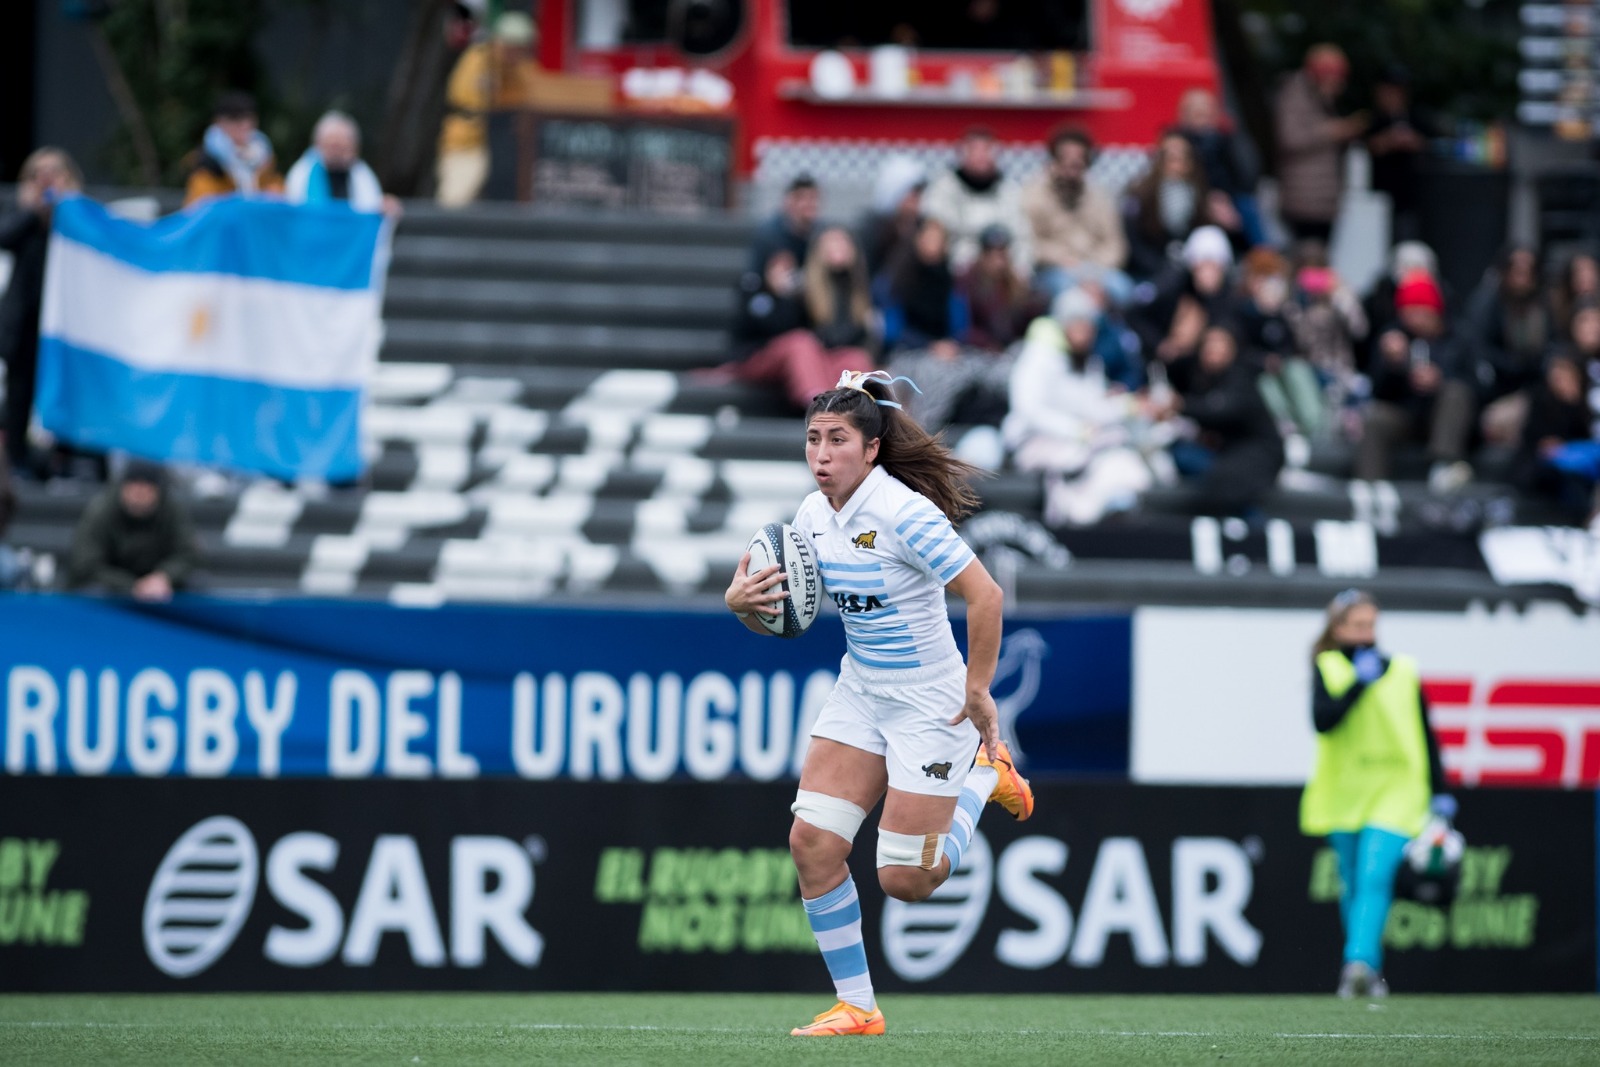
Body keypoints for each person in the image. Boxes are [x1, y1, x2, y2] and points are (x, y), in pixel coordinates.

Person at [724, 368, 1031, 1037]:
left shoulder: (904, 513)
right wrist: (737, 603)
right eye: (812, 439)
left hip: (930, 703)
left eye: (837, 439)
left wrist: (977, 689)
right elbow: (767, 607)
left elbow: (987, 596)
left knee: (905, 880)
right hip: (862, 690)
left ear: (871, 448)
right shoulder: (808, 517)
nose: (821, 454)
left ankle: (985, 777)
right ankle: (859, 1007)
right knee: (811, 843)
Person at [1300, 588, 1455, 998]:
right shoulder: (1328, 666)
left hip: (1398, 787)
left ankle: (1357, 963)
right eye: (1356, 625)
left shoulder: (1402, 669)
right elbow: (1322, 721)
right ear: (1337, 628)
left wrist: (1440, 790)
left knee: (1375, 872)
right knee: (1352, 881)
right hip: (1346, 790)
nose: (1366, 632)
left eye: (1370, 624)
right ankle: (1367, 971)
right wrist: (1356, 686)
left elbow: (1425, 733)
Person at [1004, 287, 1159, 526]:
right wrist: (1075, 430)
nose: (1084, 332)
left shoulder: (1089, 362)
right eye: (1078, 324)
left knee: (1120, 455)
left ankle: (1110, 510)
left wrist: (1128, 406)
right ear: (1064, 324)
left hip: (1079, 442)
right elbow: (1027, 409)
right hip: (1033, 441)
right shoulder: (1038, 356)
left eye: (1089, 326)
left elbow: (1092, 406)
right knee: (1092, 459)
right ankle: (1072, 515)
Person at [1355, 271, 1479, 491]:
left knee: (1455, 391)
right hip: (1409, 415)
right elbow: (1377, 390)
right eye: (1407, 314)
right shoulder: (1394, 338)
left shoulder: (1459, 337)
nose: (1413, 320)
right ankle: (1369, 487)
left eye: (1420, 313)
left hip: (1447, 421)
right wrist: (1393, 365)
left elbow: (1479, 385)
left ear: (1435, 311)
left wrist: (1440, 379)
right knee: (1374, 418)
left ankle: (1444, 467)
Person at [1, 147, 81, 477]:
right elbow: (5, 238)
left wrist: (64, 208)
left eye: (54, 173)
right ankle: (16, 462)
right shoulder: (24, 218)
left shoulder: (77, 218)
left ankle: (64, 462)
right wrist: (36, 211)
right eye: (38, 174)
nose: (46, 181)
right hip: (26, 324)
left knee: (69, 390)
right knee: (20, 392)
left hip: (67, 323)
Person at [1159, 325, 1285, 517]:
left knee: (1229, 489)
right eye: (1208, 344)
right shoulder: (1201, 377)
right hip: (1227, 452)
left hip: (1258, 454)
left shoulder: (1240, 376)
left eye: (1219, 344)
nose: (1212, 349)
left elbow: (1221, 409)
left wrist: (1180, 405)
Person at [720, 248, 860, 412]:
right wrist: (782, 298)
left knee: (853, 357)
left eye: (789, 269)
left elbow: (821, 333)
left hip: (801, 355)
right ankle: (819, 406)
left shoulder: (802, 298)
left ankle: (856, 408)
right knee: (799, 343)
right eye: (779, 267)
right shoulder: (752, 292)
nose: (784, 274)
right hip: (756, 356)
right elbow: (767, 327)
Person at [435, 10, 538, 208]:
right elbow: (465, 100)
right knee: (455, 202)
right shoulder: (479, 59)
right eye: (512, 44)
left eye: (521, 46)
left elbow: (529, 94)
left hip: (503, 147)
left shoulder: (518, 68)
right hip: (467, 142)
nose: (517, 51)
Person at [1021, 127, 1131, 304]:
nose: (1073, 162)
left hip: (1097, 269)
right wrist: (1062, 259)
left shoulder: (1099, 195)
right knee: (1068, 292)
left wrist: (1096, 269)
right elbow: (1028, 242)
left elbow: (1115, 244)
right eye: (1066, 156)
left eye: (1079, 157)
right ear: (1053, 158)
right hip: (1054, 270)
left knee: (1124, 290)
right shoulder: (1034, 194)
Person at [1274, 44, 1368, 243]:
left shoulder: (1320, 98)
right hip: (1302, 198)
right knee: (1308, 260)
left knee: (1317, 261)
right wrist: (1335, 130)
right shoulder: (1295, 95)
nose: (1337, 83)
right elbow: (1290, 138)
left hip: (1323, 198)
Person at [66, 460, 197, 601]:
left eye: (145, 487)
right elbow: (85, 564)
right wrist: (132, 586)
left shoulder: (172, 511)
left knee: (197, 584)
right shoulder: (101, 511)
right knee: (92, 591)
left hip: (160, 586)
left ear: (158, 491)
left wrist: (164, 576)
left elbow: (188, 554)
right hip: (112, 587)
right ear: (123, 487)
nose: (138, 493)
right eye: (133, 486)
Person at [922, 128, 1033, 280]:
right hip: (958, 268)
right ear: (962, 153)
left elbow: (1022, 237)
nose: (981, 156)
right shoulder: (944, 187)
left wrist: (1020, 272)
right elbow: (936, 235)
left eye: (987, 149)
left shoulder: (1009, 189)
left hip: (1004, 268)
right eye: (974, 150)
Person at [1123, 131, 1235, 281]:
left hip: (1191, 269)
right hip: (1150, 268)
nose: (1176, 164)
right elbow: (1135, 244)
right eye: (1170, 157)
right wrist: (1160, 267)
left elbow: (1204, 236)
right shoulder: (1141, 195)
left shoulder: (1201, 193)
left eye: (1182, 158)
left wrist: (1226, 223)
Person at [1175, 87, 1265, 246]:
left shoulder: (1226, 139)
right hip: (1192, 194)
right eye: (1197, 114)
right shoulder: (1177, 142)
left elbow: (1242, 175)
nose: (1204, 120)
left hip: (1227, 195)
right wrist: (1209, 197)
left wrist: (1224, 197)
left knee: (1248, 206)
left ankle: (1263, 255)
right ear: (1185, 115)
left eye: (1208, 114)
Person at [1364, 65, 1434, 245]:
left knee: (1406, 245)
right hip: (1376, 199)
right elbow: (1366, 146)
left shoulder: (1415, 116)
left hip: (1407, 198)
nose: (1394, 96)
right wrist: (1388, 141)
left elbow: (1430, 142)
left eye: (1398, 91)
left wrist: (1413, 141)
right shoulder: (1371, 118)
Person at [285, 110, 402, 215]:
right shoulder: (302, 174)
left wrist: (384, 206)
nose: (336, 153)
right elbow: (292, 209)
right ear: (318, 144)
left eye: (342, 147)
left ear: (354, 148)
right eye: (331, 146)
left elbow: (370, 207)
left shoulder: (362, 176)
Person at [183, 92, 285, 206]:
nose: (244, 125)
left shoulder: (265, 160)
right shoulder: (207, 166)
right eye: (235, 119)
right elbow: (198, 214)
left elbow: (282, 199)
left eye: (249, 118)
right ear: (219, 122)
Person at [859, 156, 927, 282]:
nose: (917, 200)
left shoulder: (923, 227)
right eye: (913, 194)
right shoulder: (871, 230)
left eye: (919, 194)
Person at [751, 174, 822, 273]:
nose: (809, 203)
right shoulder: (769, 234)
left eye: (813, 197)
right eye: (801, 198)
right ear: (788, 201)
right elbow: (754, 276)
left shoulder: (823, 234)